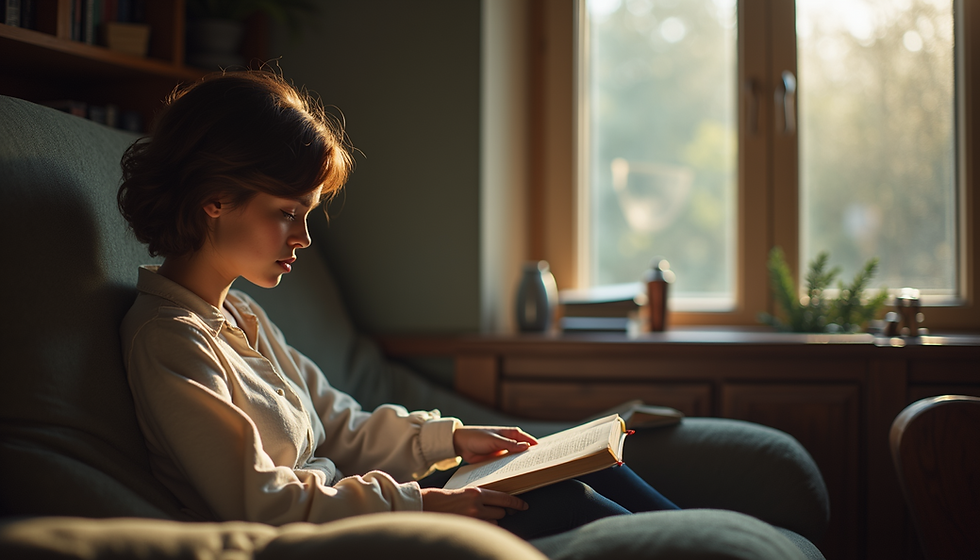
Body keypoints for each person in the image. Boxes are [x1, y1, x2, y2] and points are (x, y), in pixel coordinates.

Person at [117, 70, 678, 541]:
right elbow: (262, 501)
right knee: (565, 500)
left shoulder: (242, 317)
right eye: (288, 212)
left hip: (369, 516)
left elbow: (340, 425)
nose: (304, 237)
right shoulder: (170, 340)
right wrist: (423, 505)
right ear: (215, 198)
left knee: (575, 476)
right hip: (327, 542)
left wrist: (452, 439)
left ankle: (735, 544)